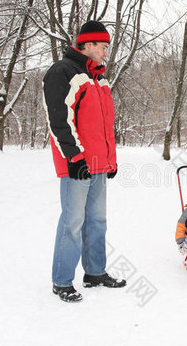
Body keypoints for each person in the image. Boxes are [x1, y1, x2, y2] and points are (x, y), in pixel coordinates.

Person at [43, 20, 125, 302]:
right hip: (77, 164)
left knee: (98, 220)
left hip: (99, 164)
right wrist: (74, 157)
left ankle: (95, 272)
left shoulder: (100, 79)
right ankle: (62, 280)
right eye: (102, 47)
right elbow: (58, 121)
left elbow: (105, 125)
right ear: (87, 44)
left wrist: (110, 160)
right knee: (73, 221)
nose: (105, 53)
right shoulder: (63, 72)